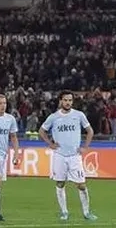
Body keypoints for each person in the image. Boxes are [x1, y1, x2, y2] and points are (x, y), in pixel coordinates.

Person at [38, 90, 96, 221]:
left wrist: (85, 147)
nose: (68, 102)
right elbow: (41, 131)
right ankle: (64, 212)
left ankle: (87, 212)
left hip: (75, 156)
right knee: (60, 183)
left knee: (81, 185)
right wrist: (50, 144)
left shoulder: (79, 115)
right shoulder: (54, 117)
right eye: (65, 100)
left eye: (70, 100)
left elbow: (90, 131)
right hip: (59, 155)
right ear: (60, 101)